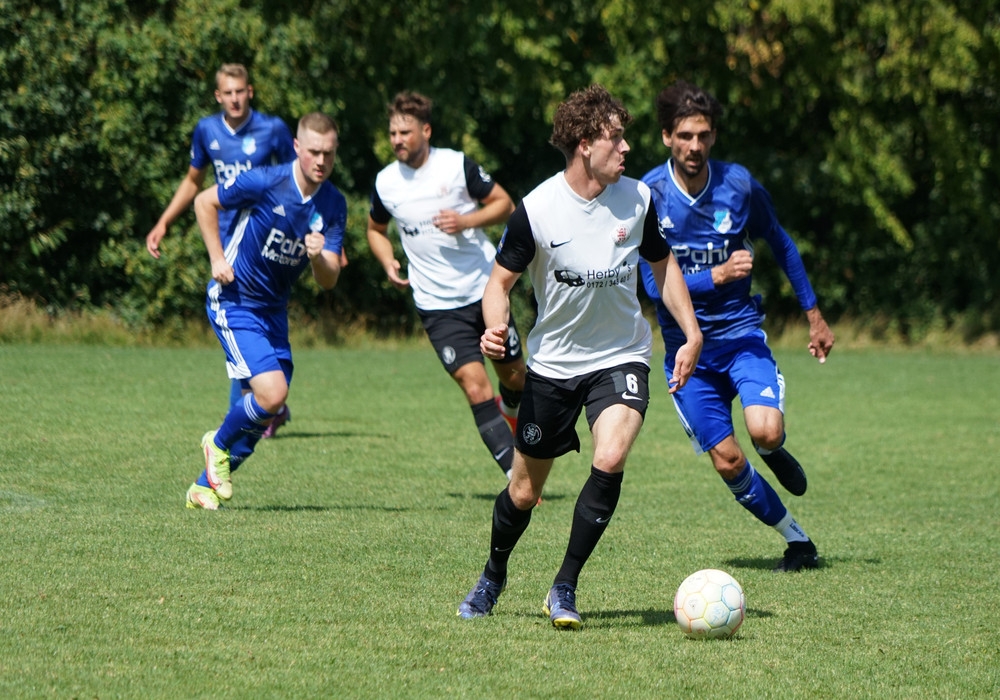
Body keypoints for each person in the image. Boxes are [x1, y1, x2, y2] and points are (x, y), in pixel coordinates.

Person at [456, 85, 703, 629]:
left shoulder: (638, 199)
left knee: (610, 457)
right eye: (616, 138)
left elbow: (662, 266)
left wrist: (690, 332)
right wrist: (495, 327)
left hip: (622, 355)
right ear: (585, 144)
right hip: (554, 367)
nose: (627, 148)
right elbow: (498, 285)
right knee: (524, 492)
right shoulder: (538, 210)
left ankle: (565, 585)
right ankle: (493, 575)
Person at [638, 79, 835, 572]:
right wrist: (716, 276)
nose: (695, 146)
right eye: (685, 135)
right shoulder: (648, 195)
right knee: (727, 460)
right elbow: (650, 283)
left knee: (764, 432)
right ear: (666, 136)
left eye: (703, 135)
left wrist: (813, 315)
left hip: (741, 336)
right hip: (688, 356)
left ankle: (773, 448)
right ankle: (797, 540)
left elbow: (782, 243)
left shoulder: (739, 185)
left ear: (714, 136)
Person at [185, 112, 347, 509]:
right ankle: (215, 444)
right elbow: (204, 201)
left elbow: (329, 279)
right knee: (273, 394)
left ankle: (202, 489)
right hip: (235, 300)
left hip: (273, 313)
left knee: (259, 419)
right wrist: (216, 258)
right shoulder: (265, 181)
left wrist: (318, 257)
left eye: (328, 153)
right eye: (313, 152)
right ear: (297, 147)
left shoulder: (334, 204)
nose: (321, 161)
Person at [366, 91, 527, 481]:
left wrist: (465, 221)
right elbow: (375, 229)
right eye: (392, 133)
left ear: (426, 131)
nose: (397, 140)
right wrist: (387, 260)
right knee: (475, 386)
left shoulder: (455, 166)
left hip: (485, 291)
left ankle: (510, 408)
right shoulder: (386, 182)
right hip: (437, 306)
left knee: (516, 379)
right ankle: (516, 478)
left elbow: (505, 204)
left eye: (405, 132)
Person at [146, 63, 297, 437]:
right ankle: (266, 405)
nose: (234, 98)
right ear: (218, 96)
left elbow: (298, 182)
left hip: (261, 241)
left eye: (240, 91)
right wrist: (164, 222)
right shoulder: (207, 130)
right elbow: (193, 181)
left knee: (244, 319)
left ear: (250, 92)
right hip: (223, 239)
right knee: (239, 318)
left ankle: (253, 411)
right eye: (227, 92)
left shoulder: (273, 129)